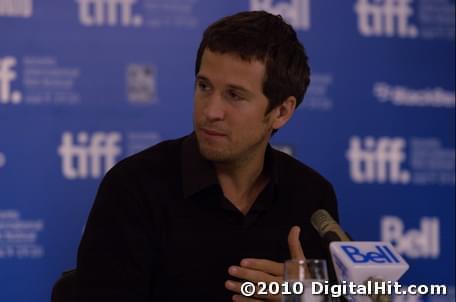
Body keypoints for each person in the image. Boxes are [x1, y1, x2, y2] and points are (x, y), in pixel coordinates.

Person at [76, 10, 340, 302]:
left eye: (234, 95)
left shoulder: (313, 198)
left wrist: (312, 298)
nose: (210, 111)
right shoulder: (133, 187)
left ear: (281, 112)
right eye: (204, 87)